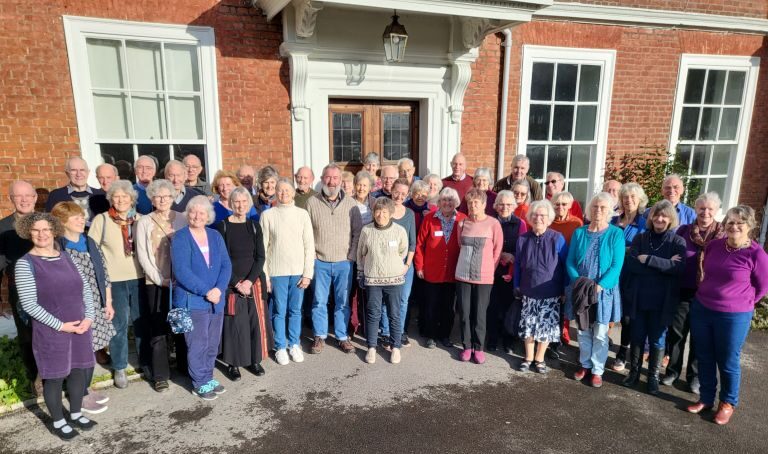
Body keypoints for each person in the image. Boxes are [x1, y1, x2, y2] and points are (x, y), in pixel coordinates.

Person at [14, 212, 97, 440]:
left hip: (80, 326)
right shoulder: (25, 264)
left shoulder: (67, 256)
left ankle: (76, 413)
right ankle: (58, 421)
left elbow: (86, 289)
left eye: (46, 230)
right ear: (28, 232)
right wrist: (61, 326)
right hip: (51, 331)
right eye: (36, 230)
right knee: (55, 377)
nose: (42, 234)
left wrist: (88, 317)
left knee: (79, 372)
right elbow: (29, 305)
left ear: (54, 231)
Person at [686, 205, 768, 425]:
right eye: (730, 222)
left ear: (749, 226)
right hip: (703, 308)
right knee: (704, 356)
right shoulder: (714, 246)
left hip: (734, 316)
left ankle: (728, 402)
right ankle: (705, 398)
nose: (734, 226)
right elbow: (706, 272)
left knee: (728, 360)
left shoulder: (757, 255)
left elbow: (762, 287)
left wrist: (743, 302)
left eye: (740, 222)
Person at [52, 202, 115, 413]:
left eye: (82, 216)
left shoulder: (88, 242)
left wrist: (108, 302)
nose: (82, 220)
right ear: (62, 222)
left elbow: (103, 273)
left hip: (96, 304)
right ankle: (79, 395)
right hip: (73, 307)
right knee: (79, 353)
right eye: (76, 217)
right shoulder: (58, 247)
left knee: (90, 350)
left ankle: (85, 389)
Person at [662, 192, 725, 394]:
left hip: (708, 295)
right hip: (683, 289)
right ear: (696, 209)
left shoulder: (723, 236)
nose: (705, 212)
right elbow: (671, 254)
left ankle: (694, 377)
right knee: (677, 333)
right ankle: (672, 370)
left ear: (716, 211)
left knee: (700, 336)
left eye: (710, 209)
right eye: (701, 208)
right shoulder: (684, 230)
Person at [622, 200, 686, 395]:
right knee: (637, 337)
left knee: (658, 340)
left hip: (662, 301)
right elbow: (632, 265)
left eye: (664, 216)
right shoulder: (641, 238)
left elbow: (678, 268)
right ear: (650, 218)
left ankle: (652, 378)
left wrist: (648, 259)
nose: (659, 219)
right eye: (656, 215)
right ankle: (633, 373)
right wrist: (664, 266)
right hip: (640, 298)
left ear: (670, 219)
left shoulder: (677, 242)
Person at [171, 196, 232, 400]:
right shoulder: (180, 237)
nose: (197, 216)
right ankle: (199, 382)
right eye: (193, 212)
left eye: (201, 213)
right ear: (188, 214)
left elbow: (226, 265)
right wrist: (208, 291)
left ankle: (208, 376)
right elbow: (181, 271)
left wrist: (219, 289)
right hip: (193, 300)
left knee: (212, 342)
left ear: (208, 216)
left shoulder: (215, 236)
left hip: (216, 300)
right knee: (198, 343)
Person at [87, 180, 145, 389]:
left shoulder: (140, 220)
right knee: (118, 325)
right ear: (111, 199)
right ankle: (119, 366)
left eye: (125, 197)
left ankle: (145, 361)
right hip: (114, 282)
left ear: (132, 199)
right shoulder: (101, 221)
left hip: (139, 278)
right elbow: (93, 252)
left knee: (141, 322)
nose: (121, 200)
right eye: (116, 197)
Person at [566, 193, 625, 388]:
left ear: (610, 211)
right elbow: (570, 260)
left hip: (603, 291)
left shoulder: (615, 234)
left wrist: (599, 286)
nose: (598, 210)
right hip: (582, 290)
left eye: (602, 208)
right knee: (583, 330)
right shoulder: (580, 232)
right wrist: (579, 282)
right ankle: (584, 364)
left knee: (600, 332)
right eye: (595, 207)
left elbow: (616, 265)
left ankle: (597, 370)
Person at [134, 179, 187, 392]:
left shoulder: (182, 218)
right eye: (158, 197)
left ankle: (184, 366)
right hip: (155, 282)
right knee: (158, 328)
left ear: (173, 197)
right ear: (151, 199)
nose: (162, 200)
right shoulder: (144, 222)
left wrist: (182, 277)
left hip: (181, 282)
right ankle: (161, 374)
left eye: (166, 196)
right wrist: (160, 279)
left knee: (182, 325)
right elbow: (142, 254)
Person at [214, 187, 271, 380]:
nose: (240, 205)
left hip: (253, 282)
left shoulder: (254, 226)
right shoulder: (222, 227)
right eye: (236, 201)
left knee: (254, 323)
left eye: (244, 202)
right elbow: (222, 259)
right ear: (231, 204)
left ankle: (254, 360)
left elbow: (260, 257)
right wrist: (237, 282)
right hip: (231, 284)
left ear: (248, 204)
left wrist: (248, 281)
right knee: (235, 325)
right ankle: (234, 364)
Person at [260, 179, 314, 366]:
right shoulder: (268, 215)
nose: (283, 193)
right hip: (277, 272)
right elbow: (263, 248)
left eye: (287, 190)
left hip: (298, 272)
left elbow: (309, 246)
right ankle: (280, 346)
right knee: (279, 311)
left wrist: (308, 273)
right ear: (275, 192)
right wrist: (265, 276)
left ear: (293, 193)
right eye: (280, 190)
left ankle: (294, 344)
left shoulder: (302, 214)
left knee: (295, 310)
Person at [306, 163, 358, 354]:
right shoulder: (312, 203)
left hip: (344, 262)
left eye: (335, 178)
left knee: (342, 301)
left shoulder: (351, 204)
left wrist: (351, 257)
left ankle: (342, 336)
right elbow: (307, 233)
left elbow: (357, 233)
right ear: (322, 179)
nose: (332, 181)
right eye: (328, 177)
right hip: (319, 261)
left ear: (341, 181)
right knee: (319, 301)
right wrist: (311, 257)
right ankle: (319, 336)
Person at [514, 200, 568, 374]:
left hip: (551, 291)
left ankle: (540, 359)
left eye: (543, 215)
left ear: (549, 218)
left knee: (545, 327)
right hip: (528, 289)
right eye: (535, 215)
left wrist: (565, 289)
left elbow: (565, 265)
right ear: (530, 217)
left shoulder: (557, 238)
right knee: (529, 325)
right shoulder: (523, 239)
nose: (539, 218)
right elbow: (516, 265)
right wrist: (516, 285)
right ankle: (528, 358)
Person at [357, 197, 409, 364]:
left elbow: (403, 251)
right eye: (377, 211)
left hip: (394, 280)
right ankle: (371, 347)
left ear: (391, 213)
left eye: (385, 211)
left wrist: (393, 266)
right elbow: (361, 253)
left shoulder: (399, 231)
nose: (381, 215)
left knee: (394, 314)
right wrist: (360, 272)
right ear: (373, 212)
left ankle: (395, 347)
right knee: (373, 313)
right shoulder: (367, 231)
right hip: (373, 279)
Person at [455, 188, 503, 364]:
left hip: (484, 277)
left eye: (476, 202)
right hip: (462, 275)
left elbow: (497, 250)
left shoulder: (493, 224)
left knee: (480, 313)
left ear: (484, 204)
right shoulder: (463, 224)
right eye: (470, 203)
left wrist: (490, 269)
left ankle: (479, 348)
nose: (472, 205)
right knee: (465, 313)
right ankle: (467, 346)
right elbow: (460, 245)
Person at [414, 188, 466, 348]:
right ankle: (430, 335)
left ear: (456, 202)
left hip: (453, 271)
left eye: (451, 200)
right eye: (444, 200)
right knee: (431, 305)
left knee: (448, 307)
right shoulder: (430, 219)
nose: (447, 203)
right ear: (439, 202)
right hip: (431, 271)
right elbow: (420, 244)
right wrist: (419, 266)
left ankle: (445, 335)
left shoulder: (463, 219)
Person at [0, 181, 37, 388]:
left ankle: (62, 374)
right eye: (18, 196)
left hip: (50, 288)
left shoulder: (46, 222)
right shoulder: (3, 228)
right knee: (27, 333)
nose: (23, 200)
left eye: (27, 195)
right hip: (20, 289)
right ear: (11, 199)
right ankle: (35, 377)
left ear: (34, 198)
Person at [610, 182, 648, 371]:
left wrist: (625, 249)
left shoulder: (644, 221)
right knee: (614, 314)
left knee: (628, 317)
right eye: (625, 197)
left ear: (640, 199)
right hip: (615, 274)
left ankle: (623, 353)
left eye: (633, 197)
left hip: (634, 275)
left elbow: (644, 247)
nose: (629, 200)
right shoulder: (615, 221)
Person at [486, 190, 526, 353]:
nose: (504, 207)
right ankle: (492, 339)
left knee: (510, 307)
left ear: (514, 206)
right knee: (493, 306)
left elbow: (523, 249)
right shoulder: (490, 221)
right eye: (501, 204)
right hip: (492, 270)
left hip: (512, 270)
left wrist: (513, 256)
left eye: (508, 204)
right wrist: (499, 254)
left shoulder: (520, 223)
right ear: (495, 206)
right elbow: (485, 245)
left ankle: (508, 340)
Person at [379, 179, 416, 347]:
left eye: (403, 193)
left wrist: (407, 265)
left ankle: (399, 332)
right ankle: (386, 333)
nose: (399, 196)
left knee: (403, 300)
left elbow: (412, 243)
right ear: (391, 190)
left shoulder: (409, 214)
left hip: (404, 265)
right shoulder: (383, 211)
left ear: (407, 195)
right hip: (386, 263)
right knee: (387, 300)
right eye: (397, 192)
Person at [545, 191, 581, 351]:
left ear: (570, 206)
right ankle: (548, 338)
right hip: (550, 268)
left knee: (563, 303)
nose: (560, 207)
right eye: (557, 204)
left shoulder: (577, 224)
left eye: (564, 204)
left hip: (568, 268)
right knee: (550, 304)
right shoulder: (548, 222)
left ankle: (559, 337)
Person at [45, 157, 109, 224]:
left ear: (88, 172)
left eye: (82, 170)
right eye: (74, 170)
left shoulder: (101, 195)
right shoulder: (56, 195)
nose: (78, 174)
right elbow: (50, 223)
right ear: (67, 173)